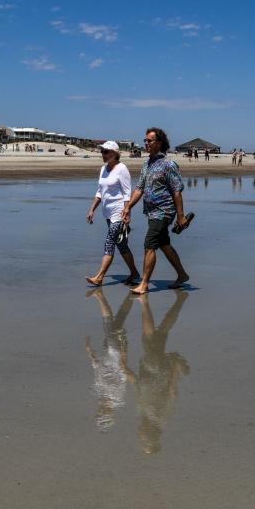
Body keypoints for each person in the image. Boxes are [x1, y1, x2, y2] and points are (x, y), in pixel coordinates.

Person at [122, 127, 191, 294]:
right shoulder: (146, 164)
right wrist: (128, 207)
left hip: (164, 211)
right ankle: (182, 275)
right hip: (151, 212)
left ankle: (144, 284)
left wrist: (180, 216)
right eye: (145, 140)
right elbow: (139, 188)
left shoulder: (168, 165)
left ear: (159, 143)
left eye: (149, 140)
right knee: (164, 244)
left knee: (149, 244)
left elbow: (177, 191)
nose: (146, 143)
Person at [134, 290, 190, 454]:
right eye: (144, 440)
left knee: (161, 333)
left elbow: (142, 391)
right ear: (150, 435)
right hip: (155, 369)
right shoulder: (156, 416)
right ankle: (144, 303)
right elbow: (170, 393)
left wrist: (130, 375)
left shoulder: (154, 418)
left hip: (152, 369)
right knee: (149, 336)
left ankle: (179, 302)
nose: (140, 437)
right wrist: (174, 370)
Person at [85, 141, 140, 287]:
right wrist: (92, 209)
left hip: (118, 213)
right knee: (121, 245)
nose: (103, 154)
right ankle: (134, 273)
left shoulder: (122, 169)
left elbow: (127, 193)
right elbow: (99, 192)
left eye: (106, 151)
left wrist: (127, 212)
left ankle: (99, 277)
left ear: (115, 153)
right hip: (107, 213)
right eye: (102, 151)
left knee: (110, 242)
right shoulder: (103, 169)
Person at [85, 289, 136, 432]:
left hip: (107, 352)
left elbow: (98, 371)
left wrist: (91, 354)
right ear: (110, 414)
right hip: (115, 351)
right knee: (108, 323)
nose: (99, 411)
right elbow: (123, 372)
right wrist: (124, 350)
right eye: (101, 414)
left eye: (98, 414)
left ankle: (131, 297)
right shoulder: (116, 398)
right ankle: (100, 296)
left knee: (117, 320)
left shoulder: (101, 396)